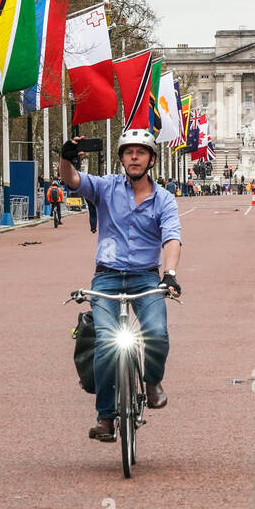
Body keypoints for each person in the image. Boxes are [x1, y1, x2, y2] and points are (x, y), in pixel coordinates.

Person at [59, 129, 182, 443]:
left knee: (155, 332)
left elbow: (171, 238)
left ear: (151, 159)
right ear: (122, 158)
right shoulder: (105, 187)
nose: (134, 158)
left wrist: (169, 274)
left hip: (145, 276)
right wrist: (66, 159)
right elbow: (73, 181)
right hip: (107, 277)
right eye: (129, 153)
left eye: (140, 153)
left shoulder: (164, 199)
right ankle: (105, 416)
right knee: (106, 343)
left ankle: (152, 382)